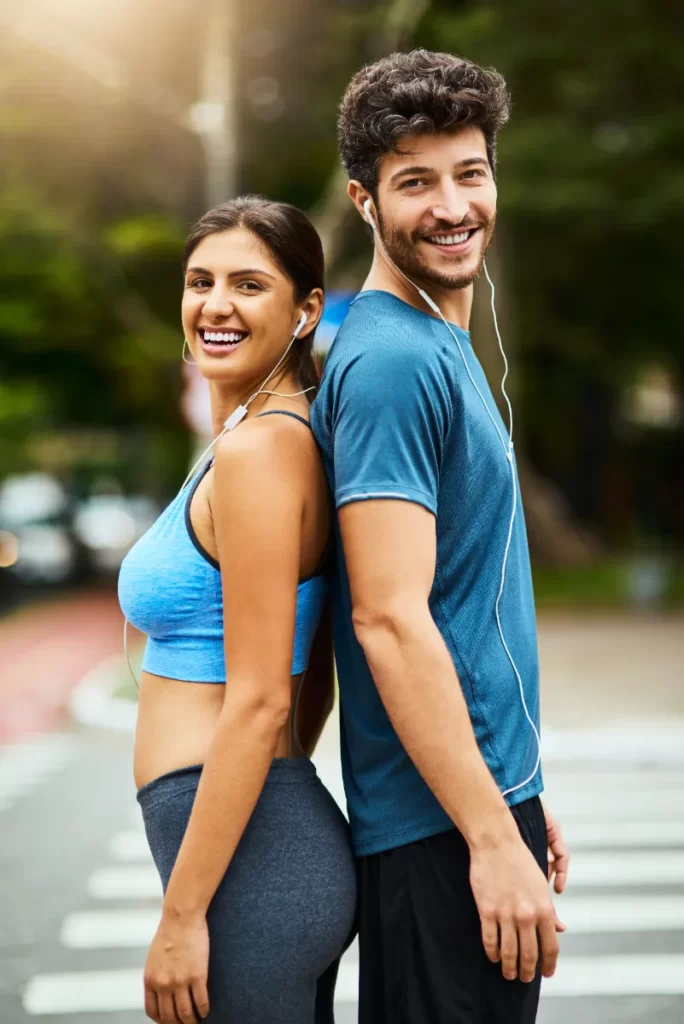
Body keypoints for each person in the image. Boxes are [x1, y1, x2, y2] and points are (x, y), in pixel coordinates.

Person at [311, 50, 570, 1023]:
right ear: (365, 201)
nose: (453, 205)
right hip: (437, 833)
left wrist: (521, 797)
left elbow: (466, 600)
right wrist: (488, 834)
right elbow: (387, 617)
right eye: (415, 181)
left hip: (474, 804)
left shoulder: (437, 345)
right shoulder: (387, 363)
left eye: (470, 172)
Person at [118, 196, 356, 1024]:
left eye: (249, 284)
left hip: (256, 869)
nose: (214, 305)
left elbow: (261, 701)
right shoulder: (272, 436)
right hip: (268, 845)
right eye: (199, 281)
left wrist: (183, 918)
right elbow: (311, 668)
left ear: (306, 311)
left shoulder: (259, 453)